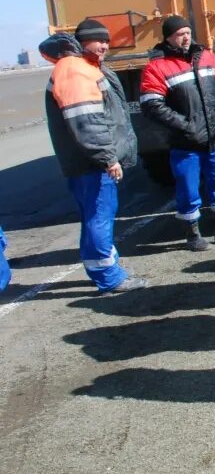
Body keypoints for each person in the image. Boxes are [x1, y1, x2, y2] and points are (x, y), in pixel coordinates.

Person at [38, 20, 147, 293]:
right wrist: (108, 158)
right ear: (83, 41)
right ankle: (110, 277)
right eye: (99, 41)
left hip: (88, 162)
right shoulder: (75, 70)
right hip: (91, 163)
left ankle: (103, 269)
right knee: (99, 216)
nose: (105, 46)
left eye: (107, 41)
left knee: (94, 217)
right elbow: (87, 123)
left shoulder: (83, 67)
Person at [139, 15, 215, 251]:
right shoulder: (157, 67)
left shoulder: (206, 57)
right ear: (168, 38)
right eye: (179, 34)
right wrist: (185, 126)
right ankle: (193, 234)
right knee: (188, 188)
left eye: (187, 32)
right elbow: (152, 105)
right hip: (186, 143)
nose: (185, 37)